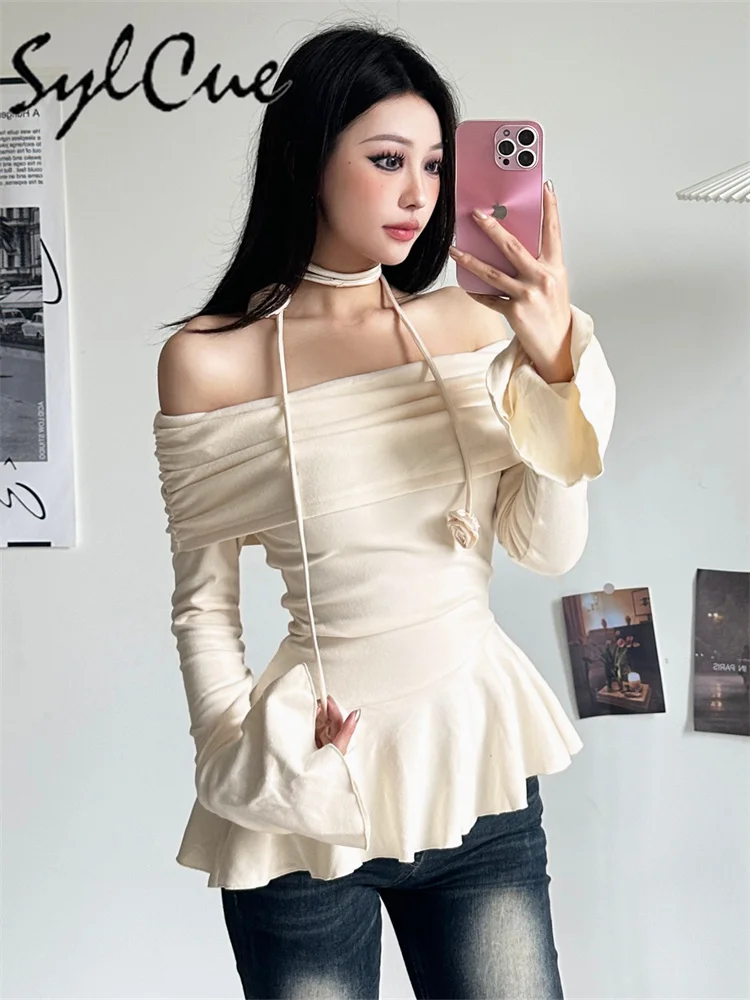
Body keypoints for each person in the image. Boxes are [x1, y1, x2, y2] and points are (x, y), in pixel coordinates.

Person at [153, 19, 616, 1000]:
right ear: (308, 160)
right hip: (304, 803)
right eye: (387, 159)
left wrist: (553, 365)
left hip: (477, 773)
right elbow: (203, 602)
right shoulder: (209, 360)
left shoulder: (473, 323)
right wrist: (239, 757)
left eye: (436, 165)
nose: (419, 193)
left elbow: (549, 546)